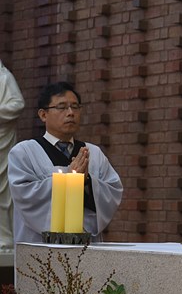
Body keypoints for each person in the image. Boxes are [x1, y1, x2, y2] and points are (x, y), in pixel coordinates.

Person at [8, 82, 123, 244]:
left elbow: (113, 191)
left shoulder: (93, 153)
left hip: (87, 245)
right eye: (61, 107)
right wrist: (68, 178)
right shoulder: (24, 152)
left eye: (75, 107)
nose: (70, 113)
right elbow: (24, 195)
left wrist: (88, 182)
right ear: (43, 115)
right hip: (40, 245)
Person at [0, 60, 25, 250]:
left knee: (2, 191)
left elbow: (17, 104)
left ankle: (4, 237)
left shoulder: (4, 78)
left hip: (2, 141)